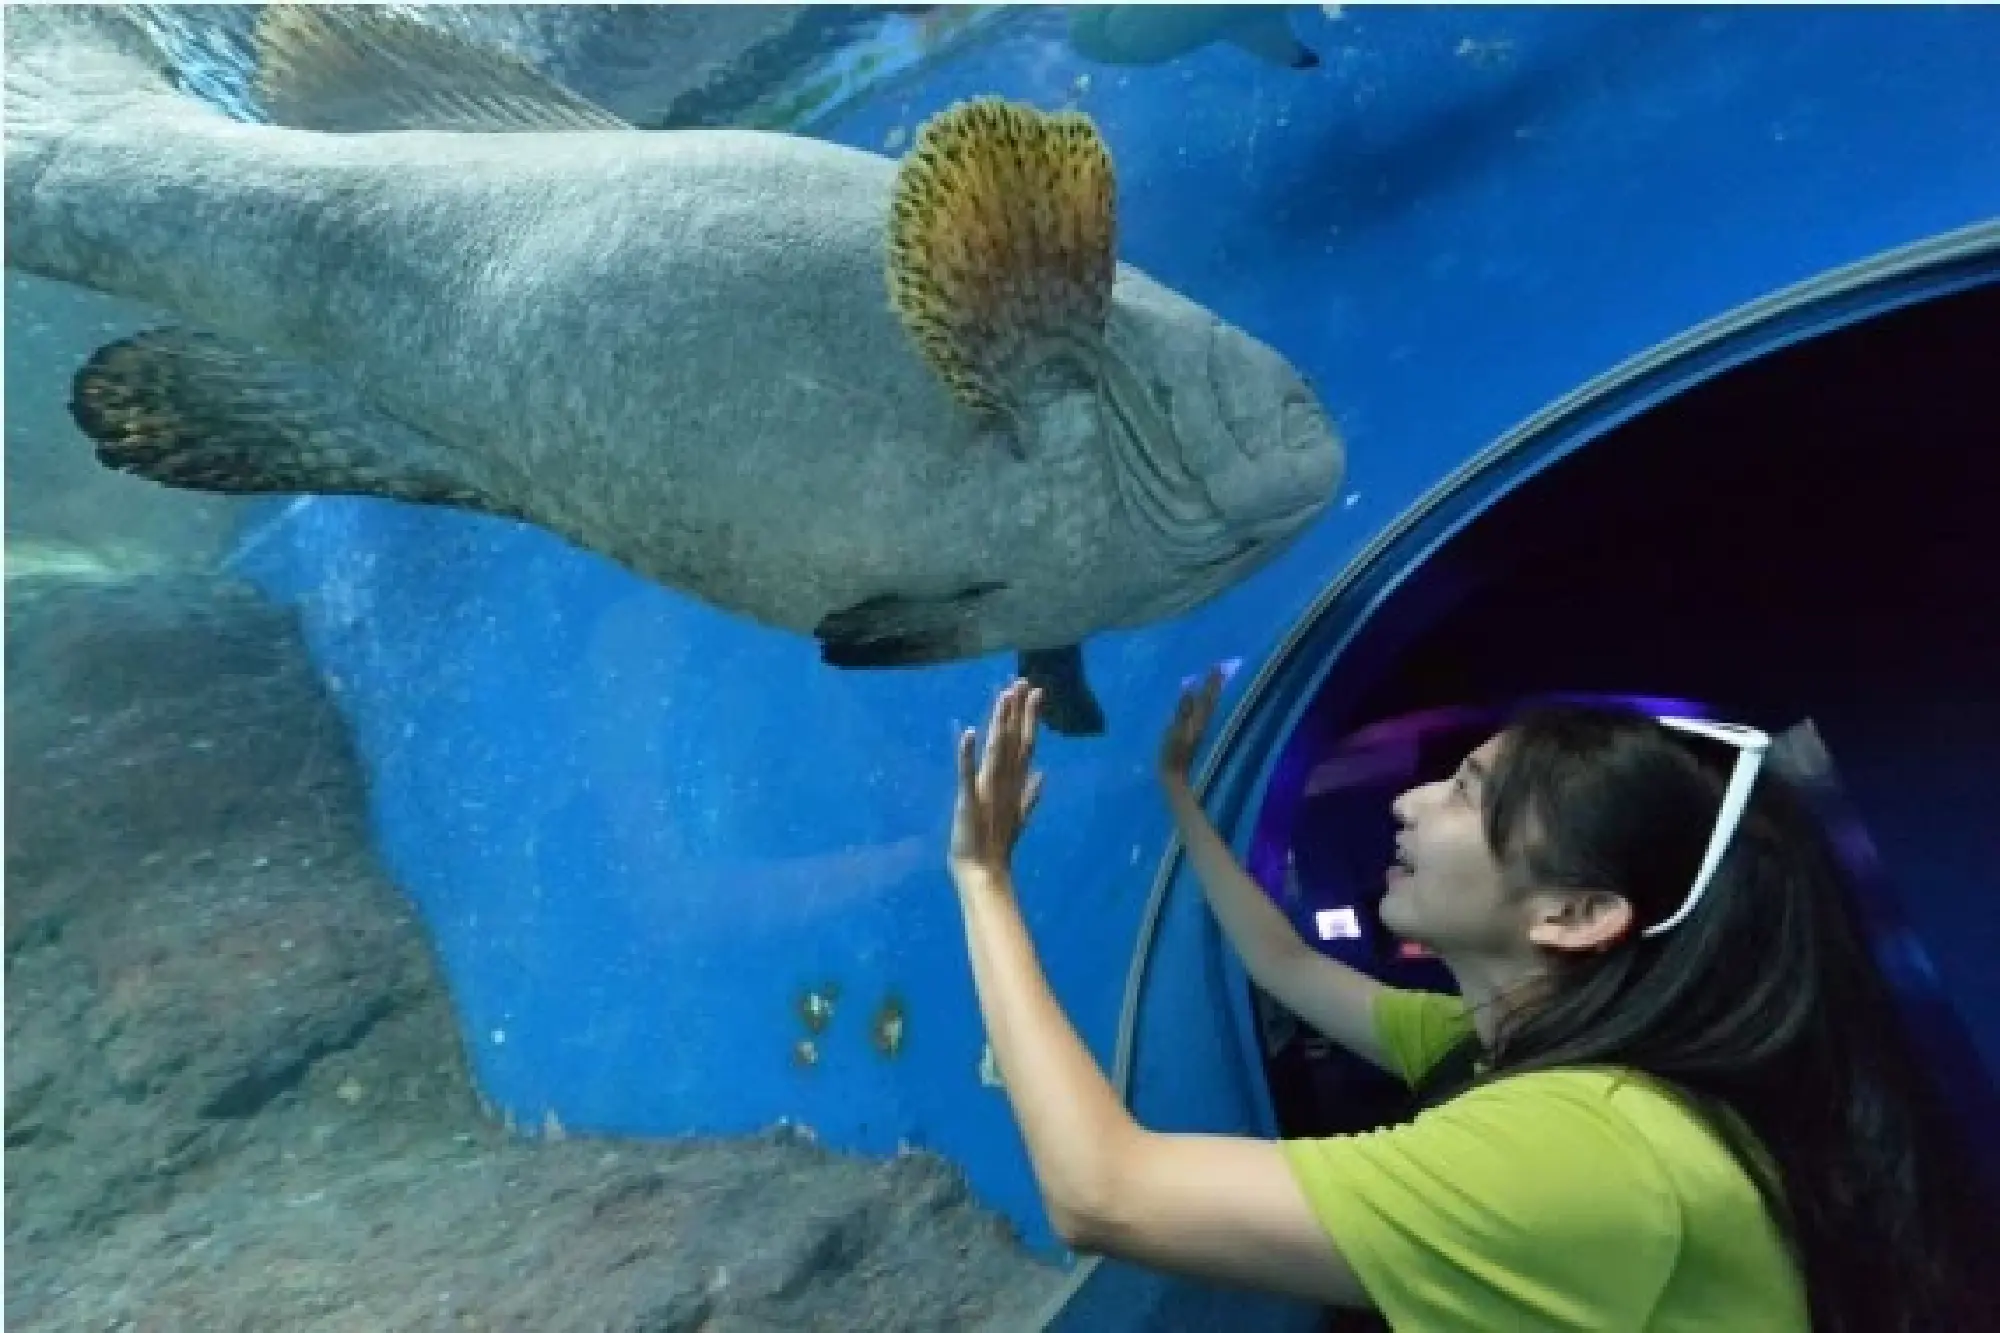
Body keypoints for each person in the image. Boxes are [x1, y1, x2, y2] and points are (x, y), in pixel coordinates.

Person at [947, 672, 1995, 1332]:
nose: (1408, 801)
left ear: (1576, 913)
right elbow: (1285, 963)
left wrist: (983, 879)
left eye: (1464, 793)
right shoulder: (1507, 1050)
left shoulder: (1584, 1146)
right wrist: (1181, 791)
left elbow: (1103, 1190)